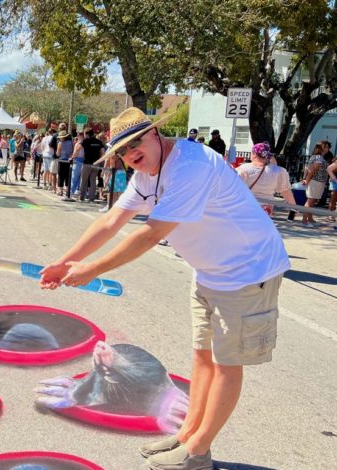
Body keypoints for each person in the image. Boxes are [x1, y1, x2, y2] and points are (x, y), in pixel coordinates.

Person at [39, 107, 288, 470]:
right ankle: (187, 434)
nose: (131, 154)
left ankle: (198, 453)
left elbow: (153, 232)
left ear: (156, 134)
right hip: (209, 272)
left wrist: (91, 269)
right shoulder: (145, 174)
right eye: (123, 150)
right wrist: (64, 262)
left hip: (247, 272)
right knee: (202, 356)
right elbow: (112, 221)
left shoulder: (191, 165)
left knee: (227, 364)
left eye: (136, 143)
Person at [235, 142, 295, 216]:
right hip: (266, 208)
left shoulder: (244, 169)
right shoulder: (278, 171)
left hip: (246, 205)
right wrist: (293, 208)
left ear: (254, 154)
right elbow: (286, 191)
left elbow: (233, 188)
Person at [301, 142, 328, 227]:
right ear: (320, 147)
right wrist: (307, 180)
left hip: (317, 182)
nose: (327, 149)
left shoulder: (317, 157)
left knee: (312, 201)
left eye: (328, 147)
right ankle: (304, 221)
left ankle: (310, 218)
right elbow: (312, 170)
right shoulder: (318, 157)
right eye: (325, 147)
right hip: (315, 182)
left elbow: (308, 169)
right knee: (310, 201)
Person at [79, 129, 104, 202]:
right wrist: (100, 161)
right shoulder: (98, 142)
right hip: (96, 164)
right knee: (93, 181)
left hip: (87, 163)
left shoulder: (85, 141)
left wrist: (73, 157)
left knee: (84, 180)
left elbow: (78, 148)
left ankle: (81, 197)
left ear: (86, 134)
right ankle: (91, 198)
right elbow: (103, 152)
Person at [55, 130, 74, 196]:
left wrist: (57, 154)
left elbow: (58, 153)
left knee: (61, 176)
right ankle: (67, 190)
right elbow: (72, 152)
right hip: (69, 161)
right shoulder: (71, 142)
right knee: (67, 176)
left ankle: (60, 191)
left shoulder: (60, 143)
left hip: (62, 160)